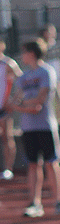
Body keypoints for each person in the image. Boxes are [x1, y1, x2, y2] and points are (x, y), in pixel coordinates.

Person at [8, 39, 60, 217]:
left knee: (51, 163)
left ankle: (59, 201)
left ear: (32, 53)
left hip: (45, 126)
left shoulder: (46, 71)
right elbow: (15, 101)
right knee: (33, 165)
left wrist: (23, 104)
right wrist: (25, 106)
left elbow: (41, 100)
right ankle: (35, 203)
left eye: (25, 52)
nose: (22, 56)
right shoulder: (24, 77)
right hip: (28, 128)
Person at [0, 39, 22, 180]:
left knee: (7, 137)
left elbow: (22, 81)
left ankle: (8, 168)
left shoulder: (8, 63)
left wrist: (14, 101)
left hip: (4, 107)